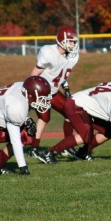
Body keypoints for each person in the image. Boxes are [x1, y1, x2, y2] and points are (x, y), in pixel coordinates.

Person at [35, 77, 111, 164]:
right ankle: (49, 153)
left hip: (90, 107)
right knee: (86, 135)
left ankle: (83, 152)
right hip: (77, 104)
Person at [28, 26, 80, 160]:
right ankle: (33, 148)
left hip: (55, 91)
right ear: (62, 40)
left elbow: (61, 73)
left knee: (70, 113)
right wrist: (31, 92)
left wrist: (66, 87)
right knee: (44, 118)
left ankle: (66, 146)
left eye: (74, 42)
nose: (73, 44)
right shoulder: (48, 52)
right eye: (71, 41)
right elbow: (35, 73)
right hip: (42, 91)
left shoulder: (71, 55)